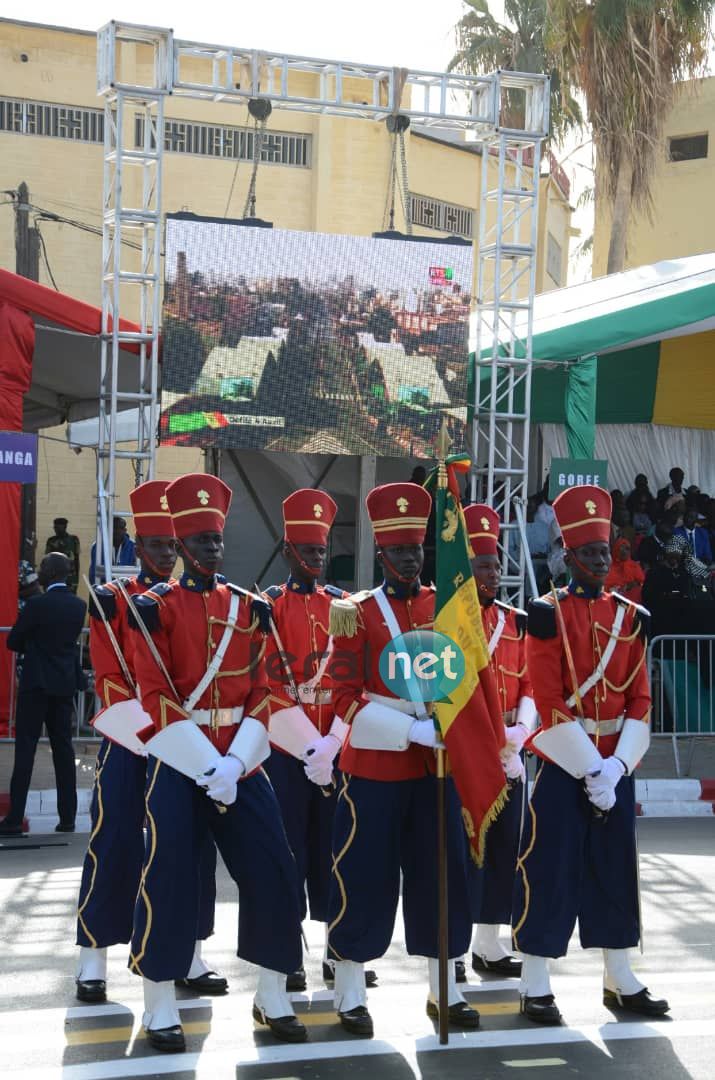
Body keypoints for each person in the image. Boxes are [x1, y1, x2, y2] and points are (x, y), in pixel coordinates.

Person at [127, 473, 305, 1053]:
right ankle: (158, 1001)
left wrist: (235, 765)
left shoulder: (250, 610)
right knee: (170, 877)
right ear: (179, 547)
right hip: (181, 763)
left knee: (276, 868)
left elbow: (269, 691)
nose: (210, 549)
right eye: (199, 541)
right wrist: (209, 766)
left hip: (242, 761)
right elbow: (152, 695)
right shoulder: (152, 609)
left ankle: (273, 992)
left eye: (215, 540)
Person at [325, 482, 479, 1038]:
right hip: (375, 767)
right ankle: (348, 990)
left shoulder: (449, 608)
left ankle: (445, 988)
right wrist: (410, 729)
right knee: (362, 876)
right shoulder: (354, 612)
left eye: (417, 549)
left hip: (437, 769)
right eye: (400, 550)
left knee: (443, 877)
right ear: (382, 553)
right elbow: (341, 696)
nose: (410, 559)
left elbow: (472, 683)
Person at [513, 485, 669, 1025]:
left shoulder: (632, 616)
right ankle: (534, 980)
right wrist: (592, 768)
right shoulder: (544, 613)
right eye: (590, 553)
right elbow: (548, 698)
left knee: (615, 870)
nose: (601, 561)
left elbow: (641, 697)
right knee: (549, 869)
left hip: (613, 765)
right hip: (565, 763)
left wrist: (618, 767)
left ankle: (619, 974)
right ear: (568, 556)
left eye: (606, 551)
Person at [75, 481, 224, 1006]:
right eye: (157, 546)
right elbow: (110, 681)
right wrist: (151, 735)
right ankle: (93, 954)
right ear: (139, 548)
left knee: (192, 851)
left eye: (172, 545)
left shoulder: (203, 601)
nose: (167, 554)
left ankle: (189, 950)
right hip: (132, 741)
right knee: (115, 841)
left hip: (185, 747)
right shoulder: (114, 601)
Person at [262, 489, 377, 992]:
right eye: (307, 551)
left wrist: (332, 743)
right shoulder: (267, 607)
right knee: (285, 855)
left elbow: (356, 682)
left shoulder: (344, 608)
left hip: (336, 752)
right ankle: (288, 956)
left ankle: (338, 950)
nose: (315, 559)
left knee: (340, 854)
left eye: (321, 551)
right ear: (288, 551)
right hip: (289, 755)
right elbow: (265, 686)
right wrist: (309, 747)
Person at [461, 504, 536, 980]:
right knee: (469, 849)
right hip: (471, 752)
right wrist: (491, 742)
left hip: (511, 748)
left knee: (507, 847)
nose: (492, 572)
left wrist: (519, 735)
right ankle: (454, 947)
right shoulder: (449, 624)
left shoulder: (516, 621)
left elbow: (531, 683)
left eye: (495, 563)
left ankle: (489, 943)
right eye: (481, 564)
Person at [0, 553, 86, 836]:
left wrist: (33, 644)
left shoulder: (37, 605)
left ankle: (14, 819)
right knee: (63, 751)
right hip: (63, 686)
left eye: (43, 566)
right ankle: (68, 818)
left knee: (25, 750)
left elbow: (13, 640)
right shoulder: (78, 606)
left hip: (36, 685)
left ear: (49, 572)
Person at [89, 517, 137, 584]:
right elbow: (93, 573)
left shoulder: (133, 546)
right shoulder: (98, 546)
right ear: (108, 529)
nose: (117, 531)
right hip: (104, 587)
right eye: (114, 528)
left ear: (125, 530)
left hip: (127, 587)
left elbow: (137, 573)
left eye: (120, 528)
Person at [45, 517, 80, 592]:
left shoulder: (74, 540)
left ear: (65, 527)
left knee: (70, 598)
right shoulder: (51, 541)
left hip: (70, 576)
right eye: (55, 527)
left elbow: (77, 559)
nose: (55, 529)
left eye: (58, 527)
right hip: (54, 576)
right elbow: (47, 560)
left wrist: (76, 579)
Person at [605, 537, 645, 604]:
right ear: (615, 549)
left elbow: (643, 584)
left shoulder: (634, 566)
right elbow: (604, 589)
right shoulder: (607, 566)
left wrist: (635, 585)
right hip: (612, 600)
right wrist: (618, 589)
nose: (624, 551)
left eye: (627, 549)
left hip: (632, 602)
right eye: (621, 548)